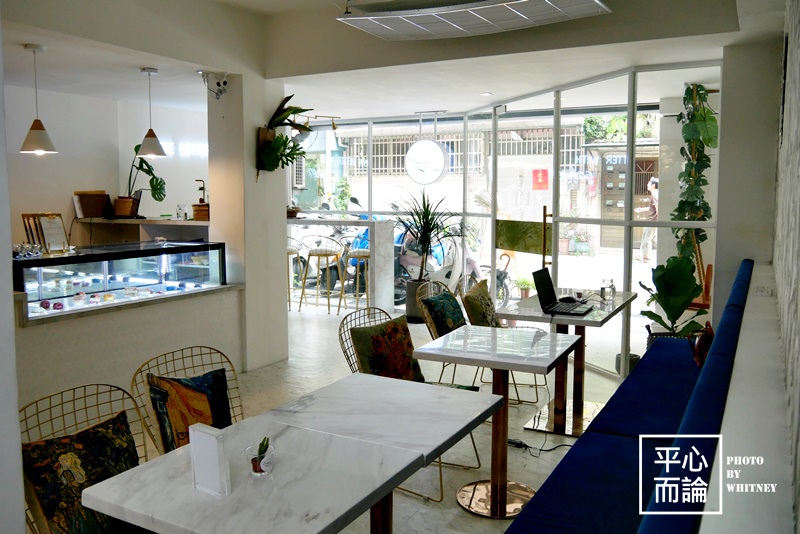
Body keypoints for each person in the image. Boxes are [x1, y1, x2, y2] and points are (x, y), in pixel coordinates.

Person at [635, 177, 659, 261]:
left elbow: (658, 208)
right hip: (654, 221)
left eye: (649, 183)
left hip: (652, 221)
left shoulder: (655, 195)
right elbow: (653, 208)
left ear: (653, 185)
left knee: (646, 240)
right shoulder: (656, 194)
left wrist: (657, 221)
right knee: (654, 240)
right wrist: (642, 209)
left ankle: (646, 258)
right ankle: (641, 255)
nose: (647, 184)